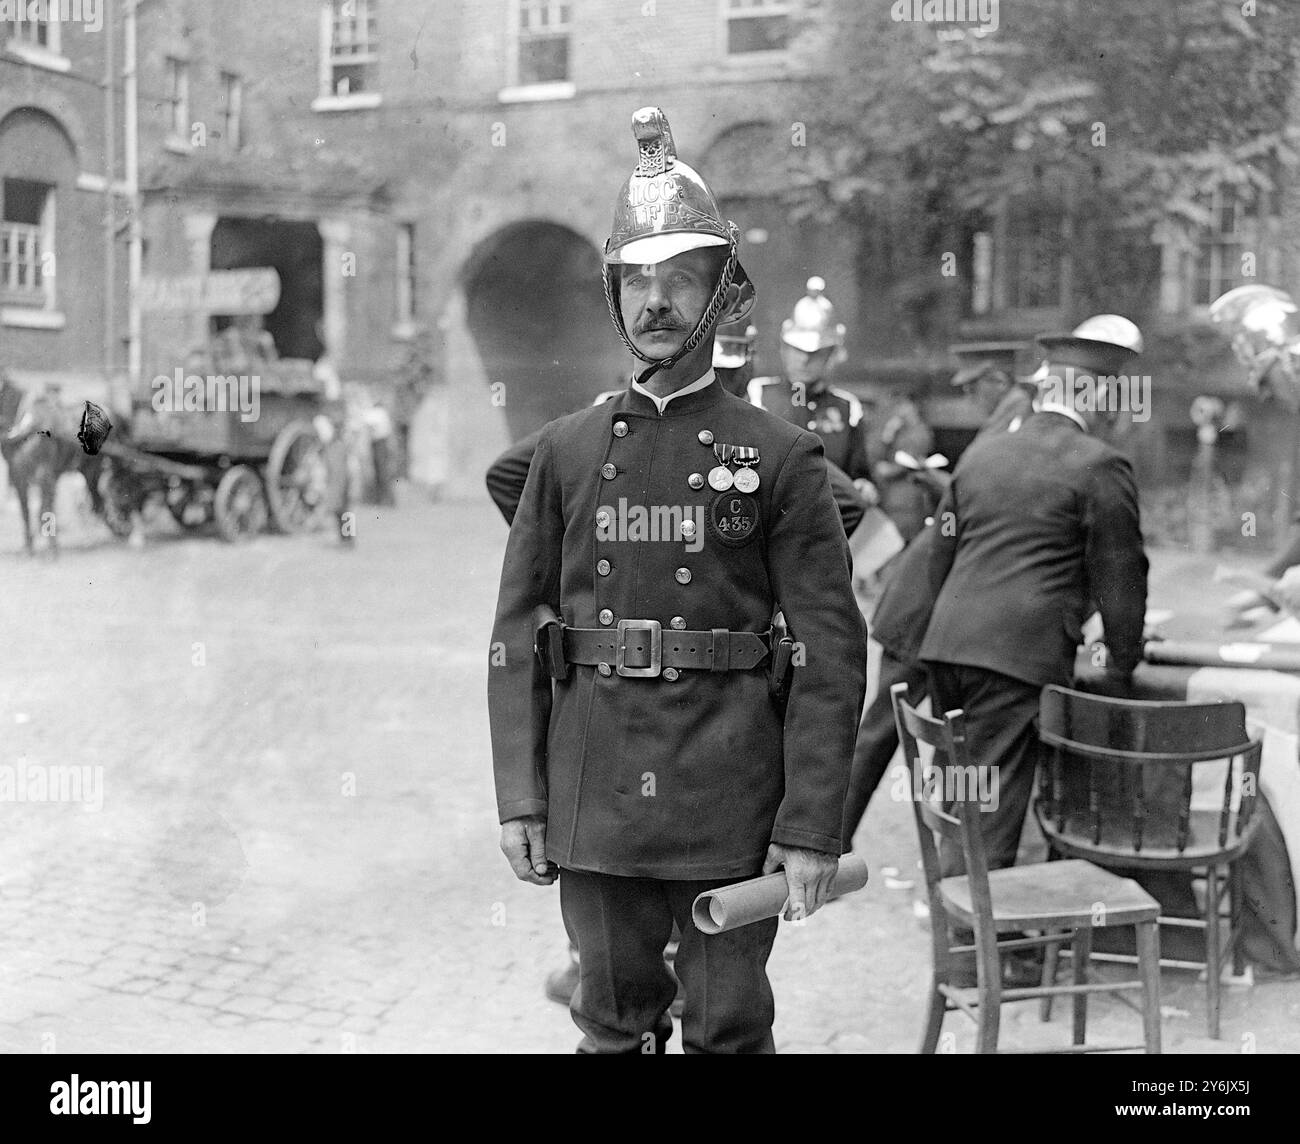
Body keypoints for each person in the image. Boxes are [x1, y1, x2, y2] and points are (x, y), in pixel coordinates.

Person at [487, 107, 868, 1054]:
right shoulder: (567, 453)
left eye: (680, 278)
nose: (655, 301)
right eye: (638, 281)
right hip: (594, 793)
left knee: (729, 1033)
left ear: (720, 296)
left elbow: (830, 649)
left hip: (727, 794)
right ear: (615, 298)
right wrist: (520, 800)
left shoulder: (780, 455)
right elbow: (514, 634)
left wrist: (812, 826)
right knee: (607, 1023)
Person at [919, 315, 1149, 879]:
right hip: (1016, 662)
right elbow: (1123, 577)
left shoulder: (984, 454)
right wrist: (1122, 661)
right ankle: (984, 961)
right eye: (1114, 395)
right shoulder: (1099, 464)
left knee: (962, 797)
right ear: (1093, 392)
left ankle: (958, 936)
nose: (1117, 410)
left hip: (948, 650)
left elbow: (943, 555)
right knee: (995, 811)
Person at [748, 278, 875, 491]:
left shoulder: (847, 407)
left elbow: (859, 475)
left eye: (815, 353)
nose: (804, 360)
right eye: (796, 350)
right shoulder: (758, 395)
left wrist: (865, 487)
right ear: (783, 347)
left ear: (832, 353)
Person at [948, 341, 1033, 438]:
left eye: (972, 387)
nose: (968, 395)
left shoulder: (1017, 415)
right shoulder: (1002, 417)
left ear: (1000, 382)